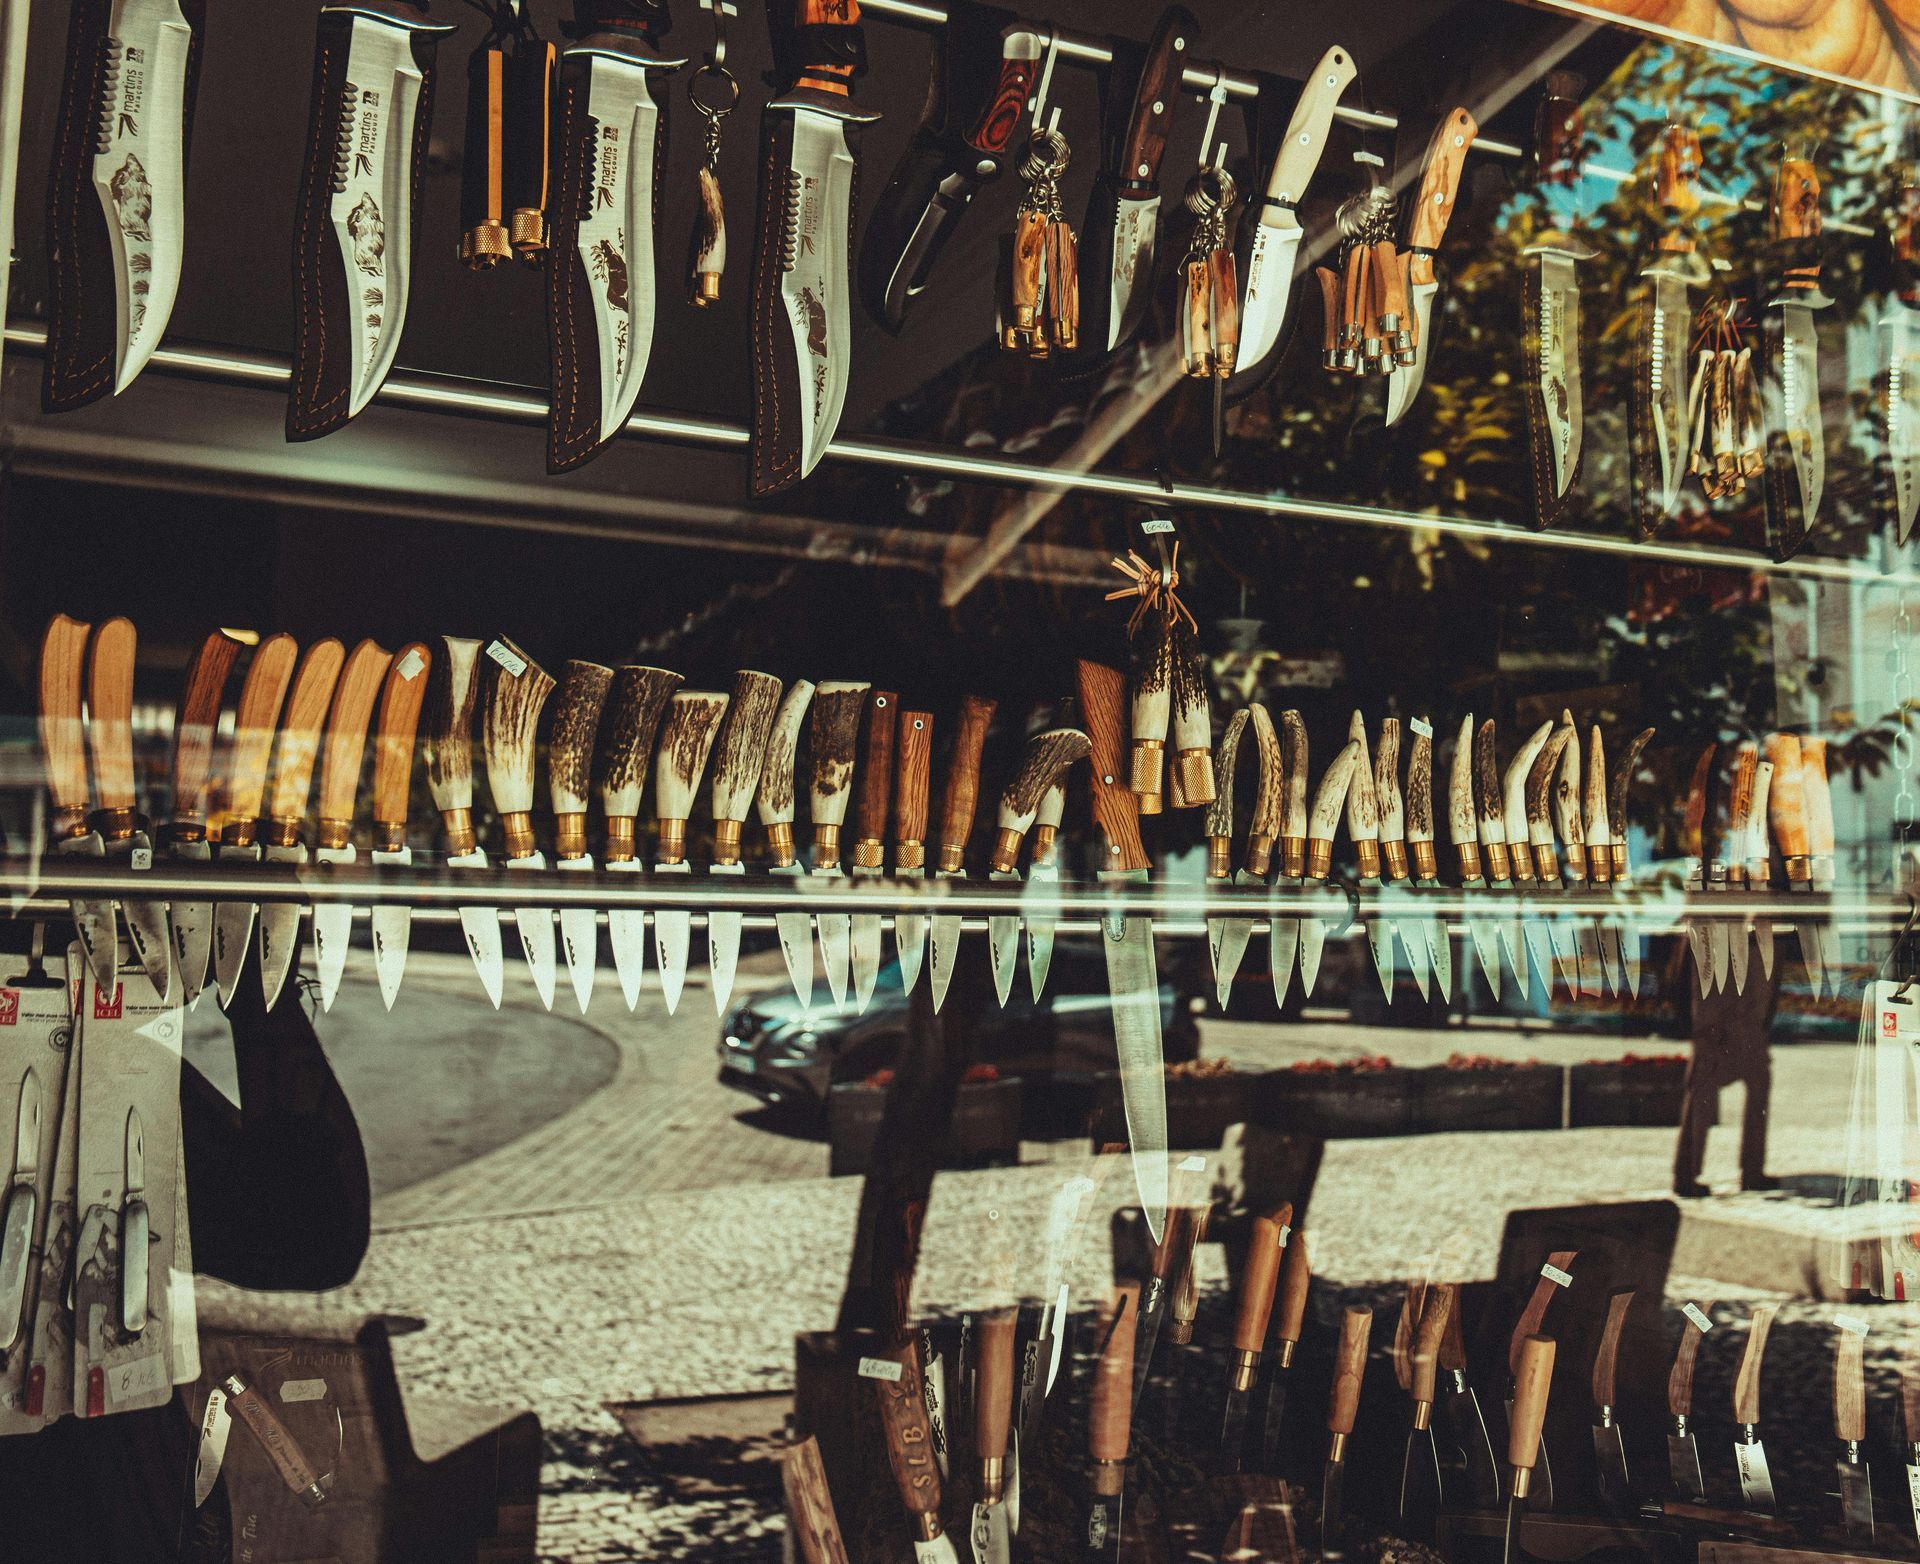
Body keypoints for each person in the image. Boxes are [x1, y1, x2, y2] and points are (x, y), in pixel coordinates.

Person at [0, 947, 370, 1563]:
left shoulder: (71, 1041)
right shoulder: (59, 1040)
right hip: (83, 1501)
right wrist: (255, 975)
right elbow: (305, 1231)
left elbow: (303, 1229)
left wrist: (255, 972)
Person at [1672, 939, 1779, 1196]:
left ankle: (1752, 1171)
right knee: (1702, 1093)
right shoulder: (1706, 926)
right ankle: (1685, 1176)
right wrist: (1698, 1026)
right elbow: (1681, 978)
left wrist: (1761, 1023)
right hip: (1713, 1027)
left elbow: (1766, 980)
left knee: (1759, 1084)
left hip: (1747, 1024)